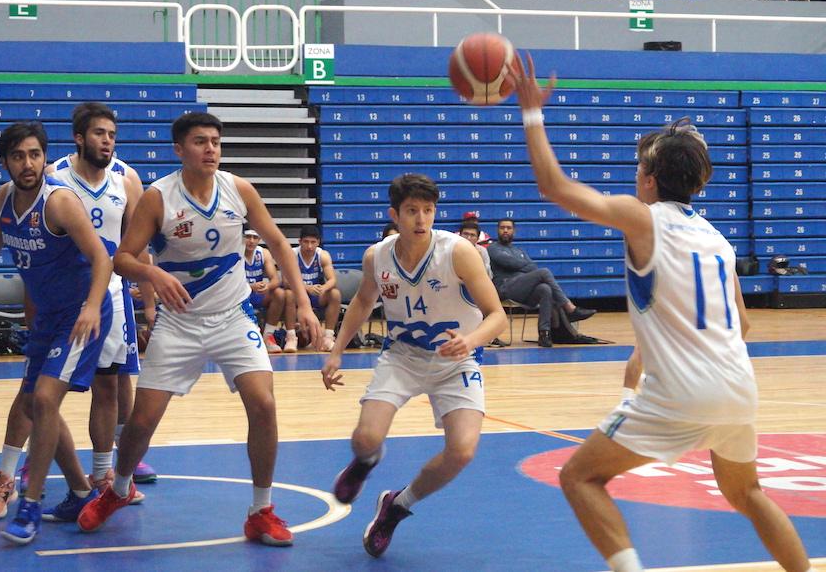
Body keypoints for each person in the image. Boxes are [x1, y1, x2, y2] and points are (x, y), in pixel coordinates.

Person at [510, 54, 812, 572]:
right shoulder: (716, 239)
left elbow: (554, 188)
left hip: (681, 393)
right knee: (750, 494)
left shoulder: (644, 218)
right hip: (739, 387)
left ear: (648, 179)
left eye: (637, 167)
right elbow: (742, 323)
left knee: (579, 477)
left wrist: (532, 112)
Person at [76, 112, 323, 546]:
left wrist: (303, 302)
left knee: (263, 404)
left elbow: (279, 243)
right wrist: (156, 276)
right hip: (180, 321)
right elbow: (123, 258)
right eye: (199, 142)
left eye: (215, 141)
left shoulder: (238, 189)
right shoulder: (158, 198)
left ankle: (261, 510)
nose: (210, 149)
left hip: (233, 317)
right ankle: (119, 488)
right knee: (142, 421)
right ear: (179, 149)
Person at [0, 105, 156, 525]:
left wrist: (146, 301)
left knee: (108, 388)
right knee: (39, 396)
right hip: (65, 298)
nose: (107, 140)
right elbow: (32, 250)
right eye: (99, 132)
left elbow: (137, 247)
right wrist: (31, 305)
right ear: (78, 137)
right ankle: (27, 477)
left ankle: (98, 477)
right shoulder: (52, 178)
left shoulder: (127, 179)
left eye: (112, 132)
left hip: (109, 297)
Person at [0, 122, 114, 545]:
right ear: (5, 162)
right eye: (18, 156)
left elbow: (102, 258)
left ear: (44, 158)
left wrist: (91, 307)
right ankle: (81, 491)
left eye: (35, 154)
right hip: (47, 316)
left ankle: (30, 506)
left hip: (79, 313)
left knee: (45, 399)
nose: (28, 163)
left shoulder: (60, 202)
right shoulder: (3, 200)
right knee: (37, 401)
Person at [321, 173, 506, 559]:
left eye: (428, 210)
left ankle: (398, 506)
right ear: (395, 214)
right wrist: (336, 349)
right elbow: (361, 302)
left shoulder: (458, 251)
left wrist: (469, 340)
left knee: (463, 451)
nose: (421, 219)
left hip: (456, 360)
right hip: (402, 356)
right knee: (365, 439)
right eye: (411, 211)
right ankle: (367, 460)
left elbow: (497, 317)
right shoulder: (378, 255)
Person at [488, 218, 595, 347]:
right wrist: (523, 265)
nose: (505, 230)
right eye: (502, 228)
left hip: (523, 290)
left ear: (514, 231)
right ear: (497, 230)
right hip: (505, 288)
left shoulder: (519, 251)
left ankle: (544, 333)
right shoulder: (493, 248)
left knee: (545, 289)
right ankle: (570, 308)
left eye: (508, 228)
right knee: (544, 272)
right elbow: (510, 263)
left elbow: (532, 267)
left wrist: (521, 266)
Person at [283, 226, 342, 352]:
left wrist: (324, 288)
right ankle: (291, 337)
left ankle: (328, 337)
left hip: (315, 294)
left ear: (318, 242)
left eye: (313, 242)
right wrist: (307, 288)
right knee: (288, 294)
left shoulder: (323, 255)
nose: (309, 246)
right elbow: (286, 282)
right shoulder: (292, 254)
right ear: (300, 242)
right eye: (306, 242)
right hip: (298, 295)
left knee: (335, 294)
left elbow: (332, 280)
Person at [242, 227, 287, 353]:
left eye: (255, 237)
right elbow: (228, 283)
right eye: (248, 237)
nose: (251, 241)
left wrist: (267, 286)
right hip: (240, 295)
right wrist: (250, 287)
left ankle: (268, 336)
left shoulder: (263, 253)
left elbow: (275, 280)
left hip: (257, 294)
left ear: (259, 239)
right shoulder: (235, 253)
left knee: (279, 293)